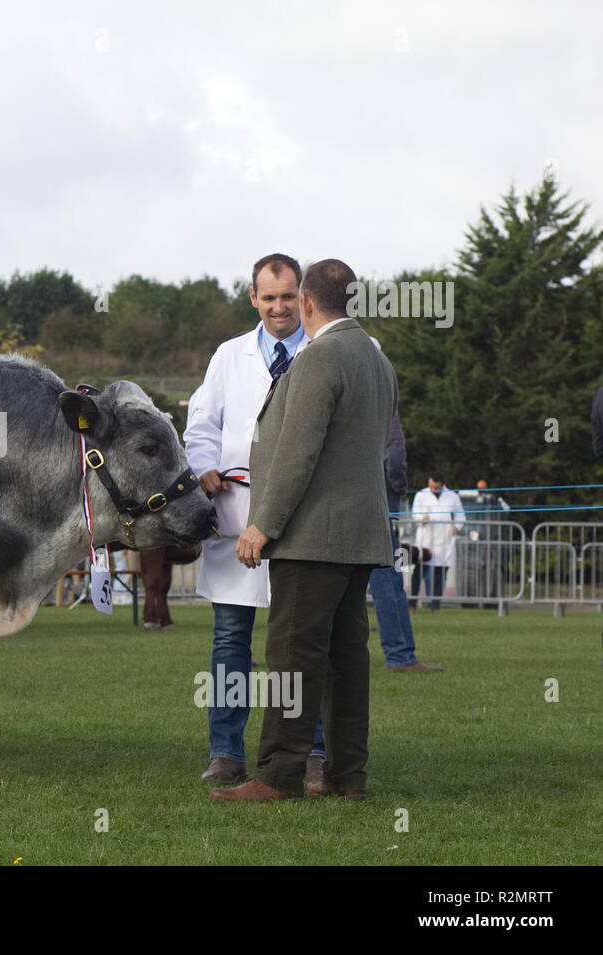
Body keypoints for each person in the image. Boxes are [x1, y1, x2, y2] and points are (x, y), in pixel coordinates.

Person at [214, 258, 397, 802]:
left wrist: (262, 525)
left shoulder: (321, 358)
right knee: (347, 661)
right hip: (360, 536)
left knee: (292, 659)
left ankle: (277, 776)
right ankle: (347, 777)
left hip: (312, 538)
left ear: (309, 304)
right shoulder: (375, 359)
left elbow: (298, 453)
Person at [184, 252, 323, 785]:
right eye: (269, 298)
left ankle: (312, 751)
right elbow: (201, 427)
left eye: (289, 297)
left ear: (303, 297)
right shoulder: (228, 356)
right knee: (229, 642)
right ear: (253, 298)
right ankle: (225, 752)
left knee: (304, 642)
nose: (279, 307)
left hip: (302, 517)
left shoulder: (321, 350)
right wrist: (203, 468)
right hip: (236, 516)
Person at [370, 412, 442, 672]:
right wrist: (399, 490)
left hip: (344, 507)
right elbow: (396, 459)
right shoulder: (386, 408)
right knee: (389, 585)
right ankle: (400, 655)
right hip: (379, 511)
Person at [411, 474, 465, 611]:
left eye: (435, 487)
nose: (432, 489)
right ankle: (411, 604)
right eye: (430, 486)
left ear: (442, 485)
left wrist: (456, 527)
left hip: (444, 542)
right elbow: (414, 514)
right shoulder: (421, 495)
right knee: (418, 572)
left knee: (440, 575)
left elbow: (460, 516)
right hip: (425, 541)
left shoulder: (452, 496)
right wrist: (422, 518)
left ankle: (435, 606)